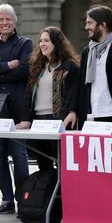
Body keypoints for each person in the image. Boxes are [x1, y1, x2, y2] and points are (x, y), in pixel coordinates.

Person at [16, 27, 79, 173]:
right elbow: (28, 96)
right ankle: (46, 194)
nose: (42, 44)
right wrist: (25, 119)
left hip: (58, 120)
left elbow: (73, 93)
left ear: (56, 43)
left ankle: (61, 195)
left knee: (62, 163)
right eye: (40, 41)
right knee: (43, 164)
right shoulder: (37, 67)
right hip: (38, 121)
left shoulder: (69, 66)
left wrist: (72, 111)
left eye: (46, 40)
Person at [68, 5, 112, 131]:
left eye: (89, 23)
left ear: (102, 25)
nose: (86, 27)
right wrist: (73, 110)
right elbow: (80, 85)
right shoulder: (87, 51)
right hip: (90, 116)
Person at [0, 3, 32, 215]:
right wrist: (8, 65)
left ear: (15, 21)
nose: (5, 22)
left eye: (8, 19)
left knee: (19, 154)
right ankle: (7, 199)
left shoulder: (26, 43)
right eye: (1, 19)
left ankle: (22, 199)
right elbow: (15, 68)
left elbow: (25, 70)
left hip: (18, 107)